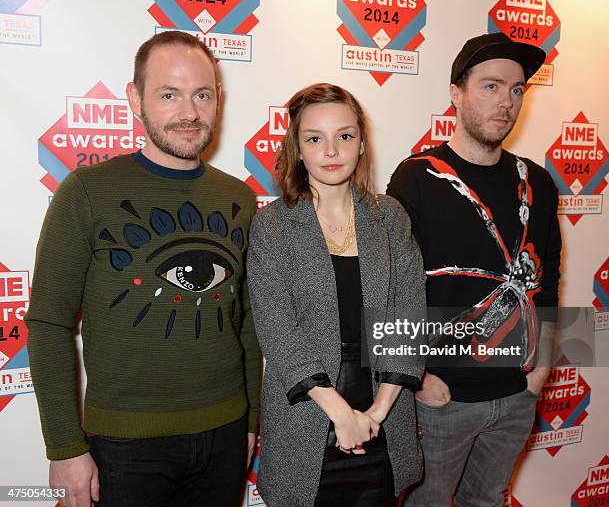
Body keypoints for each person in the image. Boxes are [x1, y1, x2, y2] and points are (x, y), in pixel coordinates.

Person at [26, 31, 261, 507]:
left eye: (202, 94)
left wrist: (253, 420)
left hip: (225, 433)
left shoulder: (239, 197)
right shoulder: (87, 191)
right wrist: (66, 447)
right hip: (125, 446)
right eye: (168, 95)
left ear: (219, 100)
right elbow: (47, 323)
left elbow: (248, 324)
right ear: (135, 99)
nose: (189, 112)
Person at [387, 33, 561, 506]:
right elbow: (389, 287)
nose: (506, 101)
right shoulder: (416, 178)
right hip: (443, 400)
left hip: (517, 395)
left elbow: (548, 280)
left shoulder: (539, 182)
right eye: (490, 86)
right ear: (455, 91)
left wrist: (541, 369)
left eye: (517, 89)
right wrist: (420, 376)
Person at [247, 83, 427, 507]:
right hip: (307, 420)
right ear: (297, 147)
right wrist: (343, 416)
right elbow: (279, 332)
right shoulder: (273, 225)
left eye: (344, 136)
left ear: (362, 144)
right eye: (315, 138)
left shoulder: (390, 217)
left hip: (384, 419)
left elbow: (410, 313)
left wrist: (375, 414)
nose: (331, 151)